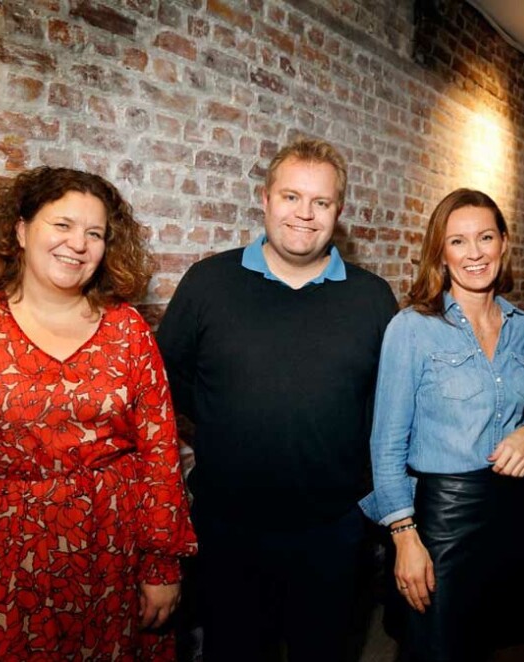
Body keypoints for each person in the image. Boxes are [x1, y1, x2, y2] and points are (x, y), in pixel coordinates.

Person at [0, 167, 197, 660]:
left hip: (107, 555)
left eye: (95, 233)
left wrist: (161, 566)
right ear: (21, 230)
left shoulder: (127, 329)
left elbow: (160, 455)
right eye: (62, 225)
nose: (79, 244)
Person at [156, 138, 398, 661]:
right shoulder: (208, 283)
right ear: (264, 199)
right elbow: (166, 378)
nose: (304, 215)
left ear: (338, 211)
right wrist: (227, 418)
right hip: (229, 528)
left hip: (332, 531)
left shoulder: (372, 297)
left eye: (321, 202)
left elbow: (387, 403)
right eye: (291, 197)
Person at [360, 188, 524, 661]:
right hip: (443, 519)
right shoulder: (412, 328)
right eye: (458, 241)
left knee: (491, 646)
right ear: (441, 254)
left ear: (503, 243)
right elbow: (385, 443)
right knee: (434, 649)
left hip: (514, 512)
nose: (474, 253)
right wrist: (404, 537)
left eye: (485, 237)